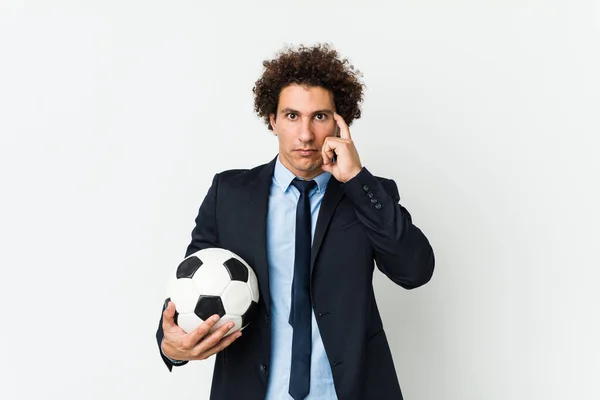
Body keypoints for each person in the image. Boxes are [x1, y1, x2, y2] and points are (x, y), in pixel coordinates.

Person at [156, 43, 435, 400]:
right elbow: (190, 283)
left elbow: (415, 270)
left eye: (319, 116)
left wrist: (356, 180)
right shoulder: (230, 194)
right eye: (291, 116)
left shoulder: (367, 193)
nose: (305, 135)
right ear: (272, 119)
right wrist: (172, 346)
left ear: (339, 122)